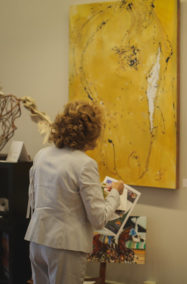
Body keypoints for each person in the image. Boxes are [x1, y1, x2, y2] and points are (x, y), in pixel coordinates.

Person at [25, 100, 124, 284]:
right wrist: (115, 193)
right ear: (90, 132)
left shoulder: (41, 155)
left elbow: (43, 199)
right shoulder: (85, 164)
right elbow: (98, 219)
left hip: (37, 239)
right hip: (66, 246)